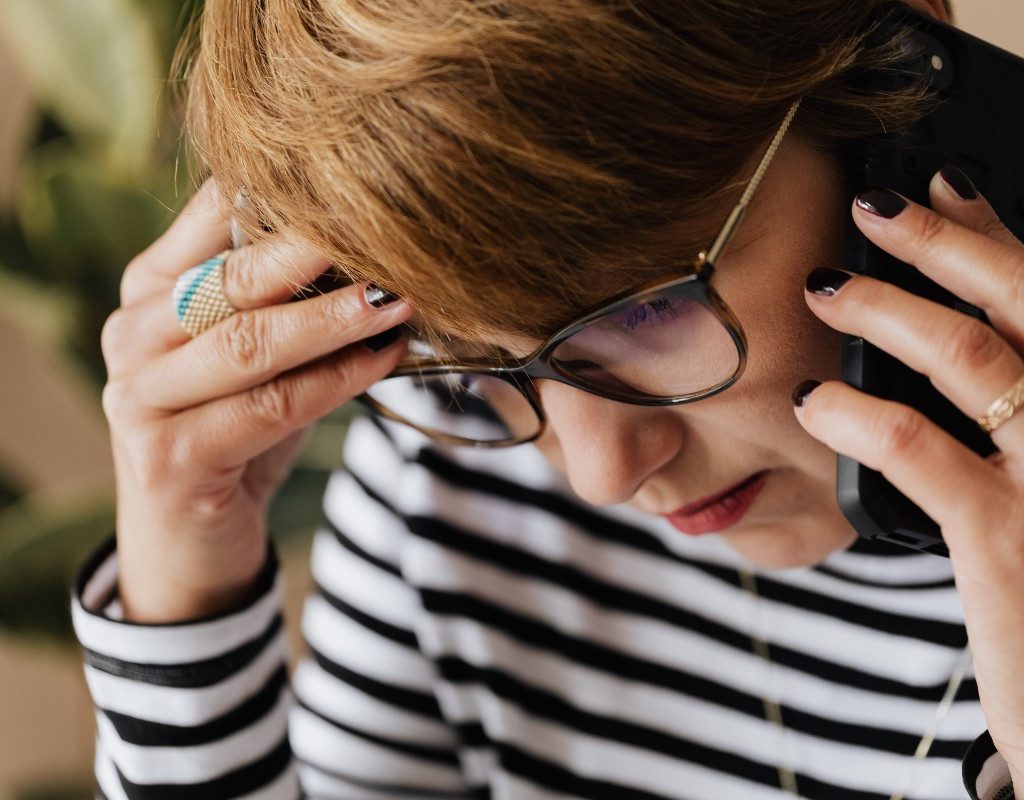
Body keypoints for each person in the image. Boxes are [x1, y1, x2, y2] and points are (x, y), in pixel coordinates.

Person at [71, 0, 1024, 797]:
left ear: (897, 86)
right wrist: (182, 601)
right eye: (473, 361)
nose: (604, 476)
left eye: (649, 313)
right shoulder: (445, 466)